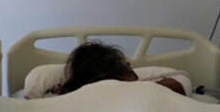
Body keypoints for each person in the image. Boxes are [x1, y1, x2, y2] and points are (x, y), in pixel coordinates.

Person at [54, 41, 185, 95]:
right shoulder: (137, 91)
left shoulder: (71, 96)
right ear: (122, 75)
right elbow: (176, 86)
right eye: (126, 65)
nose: (129, 64)